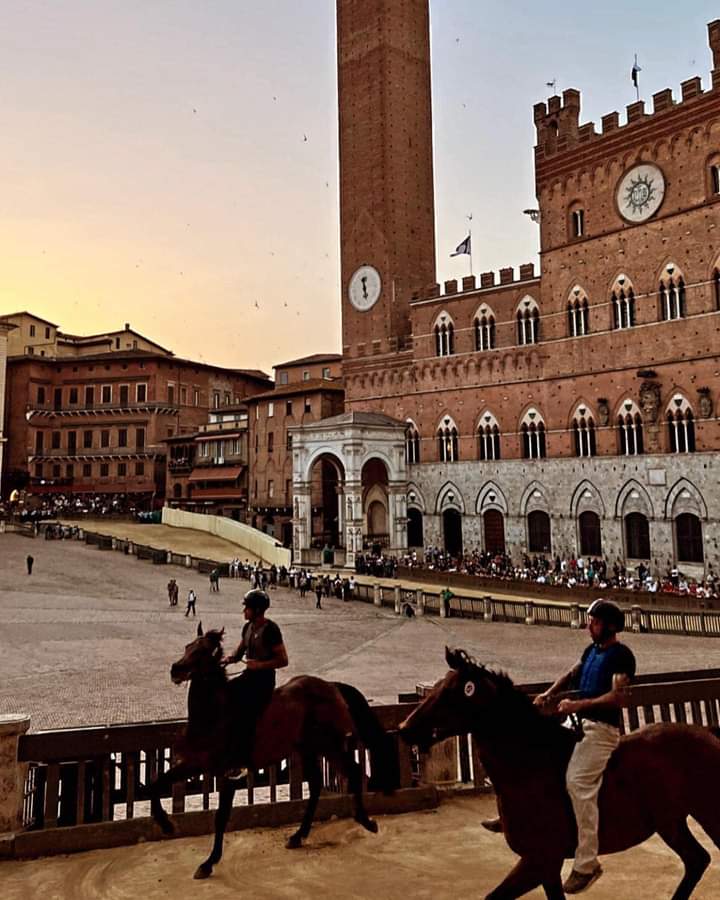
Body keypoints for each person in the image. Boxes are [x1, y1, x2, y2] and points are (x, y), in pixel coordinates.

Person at [537, 599, 635, 894]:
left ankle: (587, 863)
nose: (588, 626)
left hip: (601, 731)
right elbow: (572, 672)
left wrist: (577, 704)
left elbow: (618, 697)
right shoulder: (591, 650)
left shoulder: (622, 656)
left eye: (593, 621)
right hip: (578, 722)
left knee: (578, 783)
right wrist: (549, 693)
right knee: (542, 753)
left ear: (610, 626)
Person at [222, 589, 289, 765]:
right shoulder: (248, 627)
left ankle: (243, 758)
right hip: (249, 677)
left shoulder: (271, 629)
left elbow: (283, 660)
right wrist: (227, 660)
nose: (244, 611)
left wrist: (259, 665)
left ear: (257, 610)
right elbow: (239, 651)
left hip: (263, 682)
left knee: (246, 713)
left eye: (247, 608)